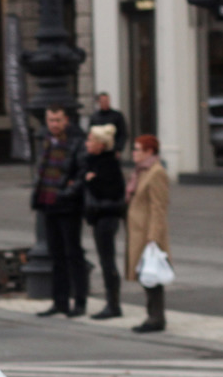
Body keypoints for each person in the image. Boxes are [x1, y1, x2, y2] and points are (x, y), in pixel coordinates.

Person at [31, 106, 89, 318]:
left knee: (73, 254)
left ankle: (80, 302)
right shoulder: (47, 140)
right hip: (48, 204)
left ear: (66, 120)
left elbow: (83, 172)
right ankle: (60, 302)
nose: (54, 124)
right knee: (55, 256)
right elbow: (42, 170)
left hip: (68, 206)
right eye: (50, 120)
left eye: (58, 120)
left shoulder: (75, 141)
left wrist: (66, 192)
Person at [125, 134, 171, 333]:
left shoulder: (156, 173)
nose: (134, 153)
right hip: (138, 231)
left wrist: (153, 237)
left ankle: (156, 318)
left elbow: (159, 207)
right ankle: (152, 316)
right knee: (146, 276)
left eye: (137, 149)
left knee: (152, 275)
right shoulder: (142, 171)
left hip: (148, 233)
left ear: (149, 152)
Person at [83, 124, 126, 320]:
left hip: (107, 218)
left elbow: (112, 193)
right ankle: (112, 302)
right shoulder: (94, 162)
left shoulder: (108, 164)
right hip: (99, 217)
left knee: (107, 261)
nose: (87, 143)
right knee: (105, 260)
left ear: (101, 144)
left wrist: (93, 181)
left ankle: (113, 304)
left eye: (91, 140)